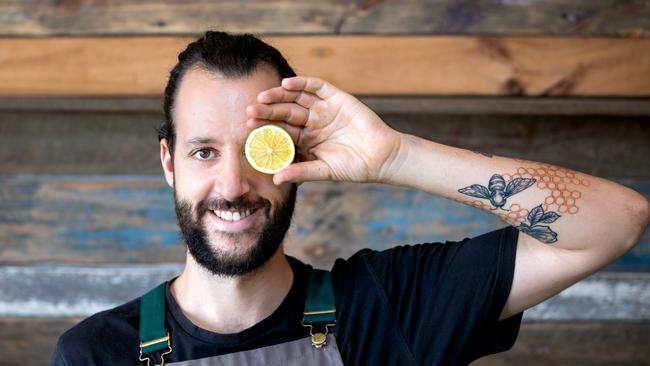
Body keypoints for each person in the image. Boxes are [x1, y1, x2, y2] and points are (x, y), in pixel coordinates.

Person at [49, 31, 649, 366]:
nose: (231, 187)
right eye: (204, 151)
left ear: (299, 155)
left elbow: (617, 220)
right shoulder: (94, 355)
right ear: (168, 162)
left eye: (261, 149)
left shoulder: (389, 307)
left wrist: (395, 155)